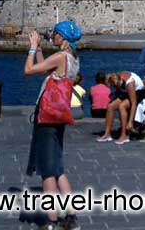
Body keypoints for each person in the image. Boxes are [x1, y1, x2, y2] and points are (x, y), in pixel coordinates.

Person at [25, 20, 82, 230]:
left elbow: (29, 70)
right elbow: (45, 71)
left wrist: (31, 48)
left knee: (47, 171)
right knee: (57, 167)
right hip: (58, 117)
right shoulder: (73, 59)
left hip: (46, 118)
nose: (53, 37)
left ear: (63, 37)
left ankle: (52, 220)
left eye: (56, 34)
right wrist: (39, 50)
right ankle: (72, 217)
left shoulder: (60, 56)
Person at [97, 71, 145, 145]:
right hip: (126, 92)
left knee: (122, 106)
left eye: (114, 85)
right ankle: (107, 134)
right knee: (110, 106)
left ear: (118, 82)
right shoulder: (116, 77)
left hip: (138, 93)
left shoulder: (129, 83)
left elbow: (134, 103)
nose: (113, 87)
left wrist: (130, 121)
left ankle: (124, 136)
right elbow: (118, 90)